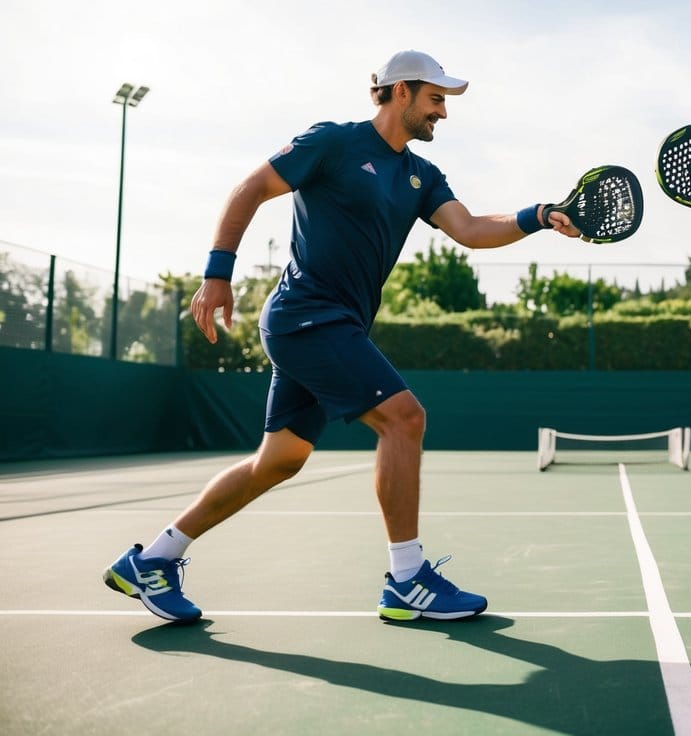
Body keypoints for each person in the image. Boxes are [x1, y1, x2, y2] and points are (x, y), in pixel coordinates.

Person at [103, 49, 583, 624]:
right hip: (306, 314)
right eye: (436, 100)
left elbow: (472, 229)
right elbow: (251, 188)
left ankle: (152, 559)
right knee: (405, 419)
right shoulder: (332, 142)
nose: (443, 115)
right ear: (400, 92)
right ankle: (406, 579)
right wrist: (216, 274)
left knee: (277, 461)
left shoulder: (422, 176)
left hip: (334, 325)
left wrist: (540, 214)